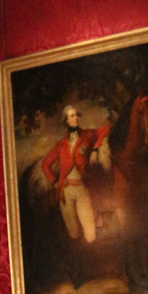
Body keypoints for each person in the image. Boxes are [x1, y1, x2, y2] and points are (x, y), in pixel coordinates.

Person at [41, 104, 111, 245]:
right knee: (73, 233)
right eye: (72, 116)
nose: (76, 118)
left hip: (82, 190)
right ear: (66, 121)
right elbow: (45, 165)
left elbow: (106, 128)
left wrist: (96, 148)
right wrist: (55, 182)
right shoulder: (60, 145)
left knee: (91, 235)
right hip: (66, 193)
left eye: (77, 115)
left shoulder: (87, 135)